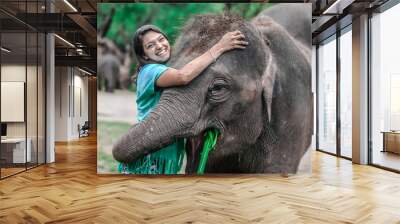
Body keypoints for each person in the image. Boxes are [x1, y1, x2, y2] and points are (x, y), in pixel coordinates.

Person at [118, 24, 248, 174]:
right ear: (145, 55)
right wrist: (219, 47)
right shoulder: (150, 71)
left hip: (161, 152)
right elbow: (183, 76)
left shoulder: (165, 68)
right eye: (150, 45)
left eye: (161, 39)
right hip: (149, 155)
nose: (159, 46)